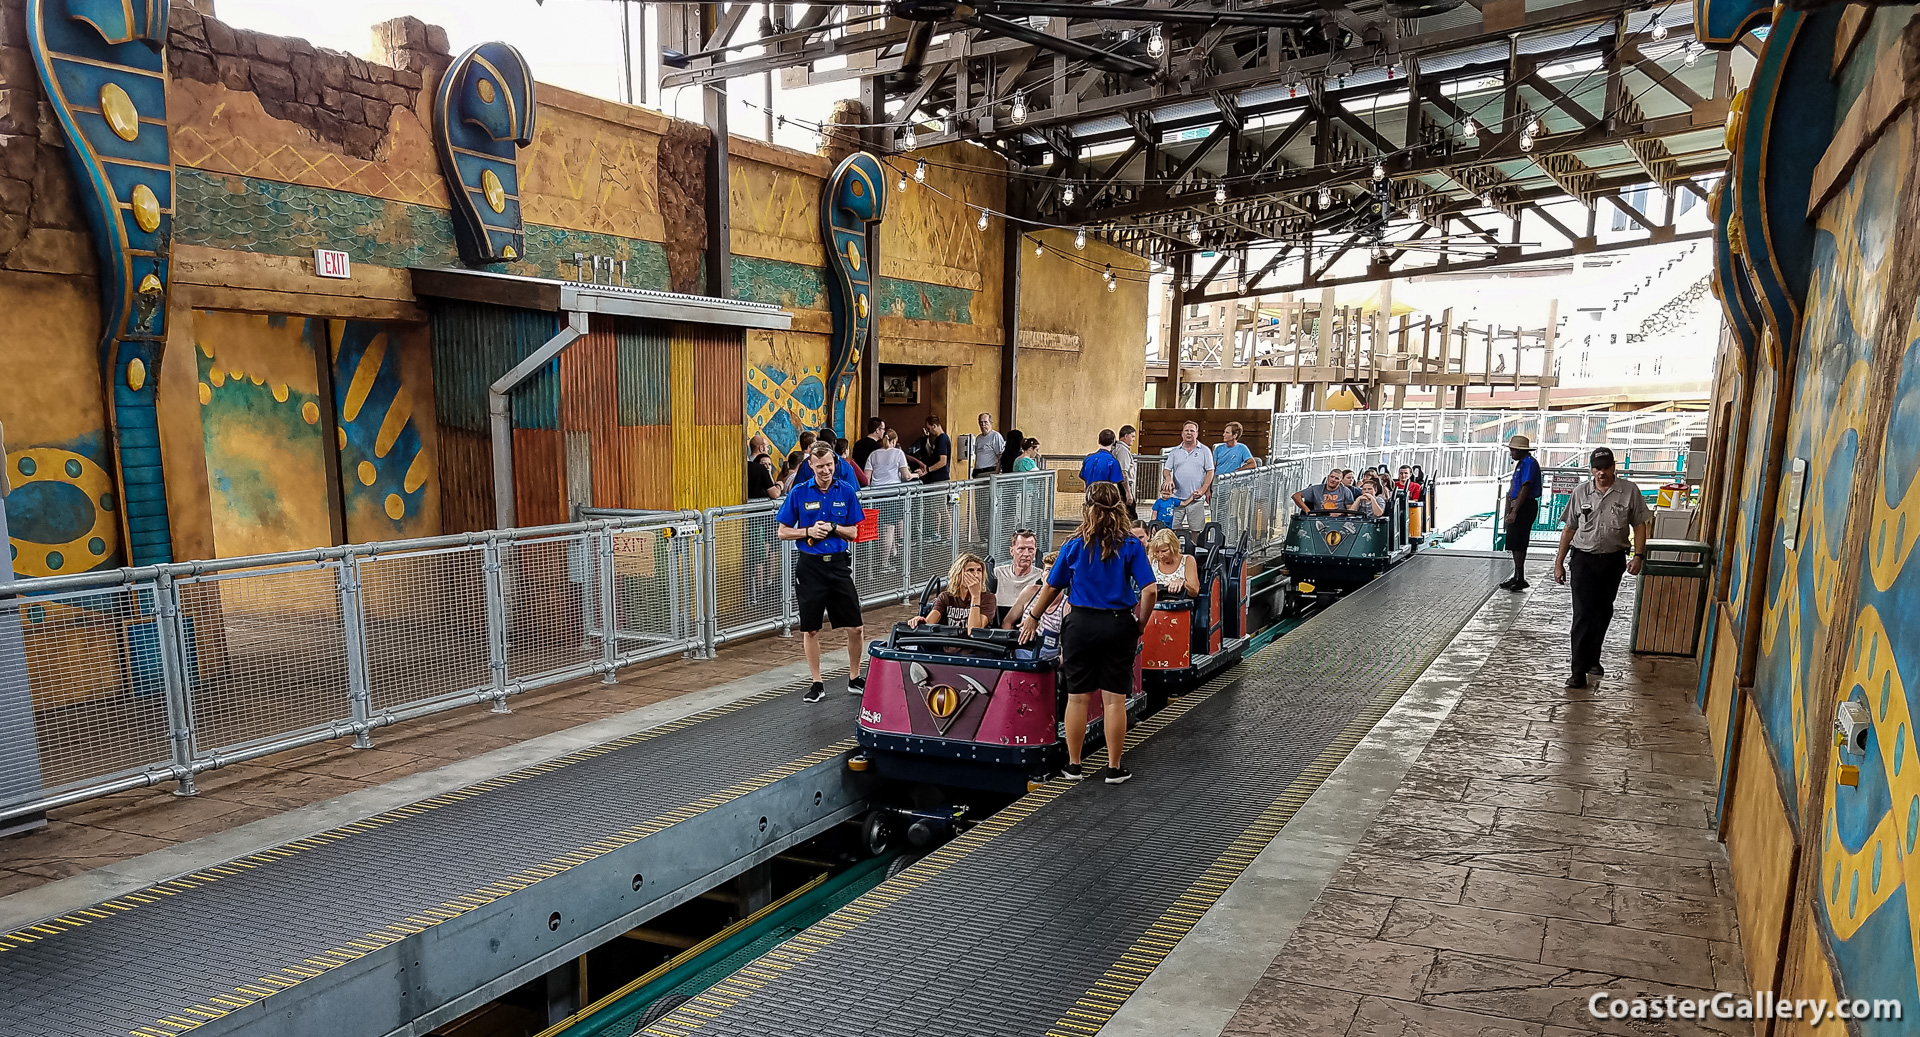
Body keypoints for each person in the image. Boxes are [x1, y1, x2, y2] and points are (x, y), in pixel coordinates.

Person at [1019, 482, 1158, 784]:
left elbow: (1051, 587)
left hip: (1080, 624)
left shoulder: (1073, 544)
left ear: (1086, 508)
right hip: (1118, 623)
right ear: (1120, 507)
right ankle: (1114, 767)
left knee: (1077, 698)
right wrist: (1140, 623)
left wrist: (1033, 616)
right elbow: (1150, 590)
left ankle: (1074, 765)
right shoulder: (1131, 545)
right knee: (1114, 700)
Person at [1552, 447, 1652, 690]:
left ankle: (1593, 656)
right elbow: (1569, 528)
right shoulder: (1580, 492)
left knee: (1603, 611)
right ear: (1591, 469)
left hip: (1612, 560)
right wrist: (1559, 562)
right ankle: (1578, 671)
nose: (1601, 473)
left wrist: (1638, 556)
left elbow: (1639, 525)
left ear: (1613, 467)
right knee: (1583, 614)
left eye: (1606, 467)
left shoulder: (1629, 492)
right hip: (1583, 560)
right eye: (1597, 468)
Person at [776, 443, 868, 703]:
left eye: (829, 465)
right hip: (810, 565)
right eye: (820, 466)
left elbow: (854, 532)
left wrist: (833, 526)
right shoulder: (799, 493)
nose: (825, 470)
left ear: (835, 464)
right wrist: (808, 532)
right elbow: (783, 531)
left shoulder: (846, 491)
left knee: (856, 627)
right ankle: (817, 683)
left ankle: (854, 677)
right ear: (811, 467)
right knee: (811, 629)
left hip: (838, 564)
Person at [864, 429, 913, 566]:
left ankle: (892, 551)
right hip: (892, 494)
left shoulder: (873, 454)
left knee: (880, 527)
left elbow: (866, 478)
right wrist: (916, 475)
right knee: (889, 528)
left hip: (875, 495)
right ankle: (884, 563)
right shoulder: (898, 453)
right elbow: (906, 475)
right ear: (894, 441)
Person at [911, 553, 996, 630]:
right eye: (970, 570)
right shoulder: (946, 597)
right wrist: (920, 621)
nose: (976, 575)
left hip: (972, 646)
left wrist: (975, 596)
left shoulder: (988, 598)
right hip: (949, 644)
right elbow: (929, 623)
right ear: (958, 574)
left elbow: (974, 631)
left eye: (979, 571)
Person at [1503, 434, 1543, 591]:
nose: (1511, 452)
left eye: (1513, 450)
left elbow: (1525, 488)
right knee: (1514, 542)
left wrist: (1515, 511)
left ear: (1520, 450)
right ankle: (1517, 576)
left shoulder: (1528, 464)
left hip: (1524, 506)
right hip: (1519, 505)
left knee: (1519, 541)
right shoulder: (1522, 463)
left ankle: (1520, 578)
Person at [1160, 421, 1215, 532]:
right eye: (1186, 430)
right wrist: (1168, 479)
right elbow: (1166, 469)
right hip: (1176, 499)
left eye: (1192, 431)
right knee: (1171, 529)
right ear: (1182, 433)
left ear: (1196, 433)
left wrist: (1203, 490)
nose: (1189, 433)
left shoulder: (1205, 451)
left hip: (1196, 498)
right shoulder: (1174, 452)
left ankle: (1194, 548)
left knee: (1196, 530)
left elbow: (1210, 471)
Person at [994, 529, 1045, 625]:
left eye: (1030, 550)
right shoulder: (997, 574)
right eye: (1021, 549)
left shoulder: (1042, 578)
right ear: (1012, 551)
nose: (1026, 554)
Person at [1145, 528, 1198, 596]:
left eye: (1164, 551)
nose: (1160, 556)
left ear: (1173, 548)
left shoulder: (1187, 560)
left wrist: (1183, 583)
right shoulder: (1151, 560)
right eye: (1157, 552)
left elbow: (1195, 591)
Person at [909, 416, 951, 484]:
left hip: (939, 479)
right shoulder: (939, 439)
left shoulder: (941, 440)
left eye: (929, 428)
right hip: (937, 478)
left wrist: (928, 469)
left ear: (934, 426)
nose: (929, 431)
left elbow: (943, 461)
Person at [1293, 468, 1357, 513]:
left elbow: (1350, 512)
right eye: (1332, 477)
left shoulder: (1346, 491)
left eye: (1336, 478)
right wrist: (1307, 510)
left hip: (1339, 521)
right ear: (1328, 477)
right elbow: (1296, 496)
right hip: (1318, 520)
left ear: (1340, 481)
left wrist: (1342, 514)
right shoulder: (1315, 489)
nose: (1333, 480)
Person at [747, 434, 779, 504]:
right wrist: (779, 486)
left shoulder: (746, 465)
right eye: (767, 447)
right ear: (762, 448)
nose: (768, 449)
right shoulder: (761, 468)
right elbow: (774, 494)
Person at [1114, 424, 1138, 510]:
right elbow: (1123, 472)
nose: (1134, 439)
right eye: (1132, 436)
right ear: (1125, 436)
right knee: (1130, 512)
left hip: (1123, 485)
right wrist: (1128, 492)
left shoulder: (1120, 448)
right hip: (1124, 486)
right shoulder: (1123, 451)